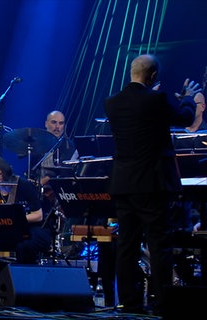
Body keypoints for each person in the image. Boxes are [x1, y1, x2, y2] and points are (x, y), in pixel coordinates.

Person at [104, 54, 200, 315]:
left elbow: (144, 117)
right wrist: (190, 98)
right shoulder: (158, 99)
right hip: (153, 184)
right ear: (154, 76)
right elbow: (185, 118)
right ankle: (162, 302)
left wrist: (172, 100)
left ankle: (128, 303)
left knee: (127, 245)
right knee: (159, 244)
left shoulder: (112, 103)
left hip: (124, 183)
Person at [0, 155, 54, 264]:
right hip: (4, 229)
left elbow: (38, 215)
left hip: (29, 228)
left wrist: (14, 220)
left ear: (5, 172)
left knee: (25, 245)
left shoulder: (23, 185)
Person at [37, 110, 79, 187]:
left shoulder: (68, 145)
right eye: (54, 122)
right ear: (46, 124)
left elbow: (62, 171)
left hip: (57, 188)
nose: (57, 127)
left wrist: (39, 183)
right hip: (39, 186)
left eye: (61, 123)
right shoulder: (39, 143)